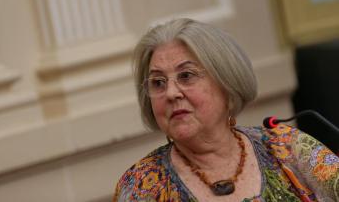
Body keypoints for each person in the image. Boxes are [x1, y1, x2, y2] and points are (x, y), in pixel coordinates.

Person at [113, 18, 338, 201]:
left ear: (226, 84)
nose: (171, 93)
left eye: (186, 76)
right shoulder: (142, 186)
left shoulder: (286, 148)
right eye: (158, 82)